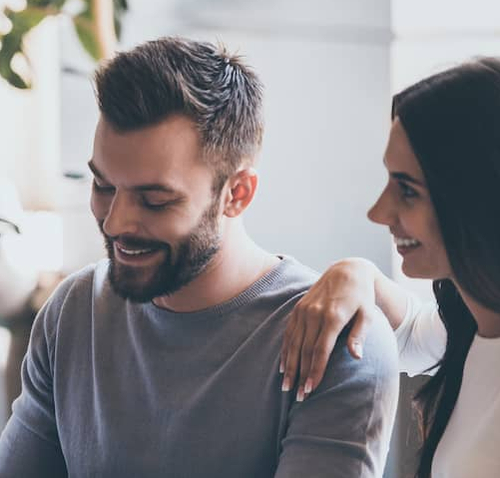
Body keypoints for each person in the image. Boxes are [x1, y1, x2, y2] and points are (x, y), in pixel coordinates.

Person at [0, 37, 399, 477]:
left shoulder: (336, 343)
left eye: (154, 200)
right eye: (104, 187)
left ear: (237, 194)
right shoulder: (74, 310)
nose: (115, 223)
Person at [280, 58, 500, 478]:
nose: (378, 212)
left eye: (407, 191)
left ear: (476, 196)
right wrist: (355, 274)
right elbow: (417, 337)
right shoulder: (475, 322)